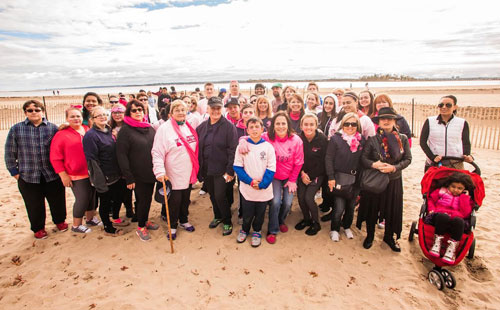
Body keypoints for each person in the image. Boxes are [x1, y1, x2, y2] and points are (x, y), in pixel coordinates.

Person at [5, 100, 67, 239]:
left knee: (57, 201)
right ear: (25, 112)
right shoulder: (17, 129)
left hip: (51, 173)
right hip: (28, 175)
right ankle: (38, 228)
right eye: (30, 110)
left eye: (37, 110)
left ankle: (60, 221)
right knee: (34, 204)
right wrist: (14, 172)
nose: (34, 113)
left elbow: (60, 148)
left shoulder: (52, 128)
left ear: (42, 111)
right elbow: (10, 152)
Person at [358, 107, 412, 252]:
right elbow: (363, 158)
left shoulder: (403, 139)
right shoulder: (373, 139)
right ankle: (370, 235)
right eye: (383, 119)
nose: (386, 121)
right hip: (375, 180)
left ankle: (389, 237)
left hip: (394, 180)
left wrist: (394, 168)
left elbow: (408, 159)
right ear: (379, 122)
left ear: (394, 121)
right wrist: (374, 164)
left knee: (391, 210)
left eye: (389, 118)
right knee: (372, 209)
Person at [152, 100, 199, 240]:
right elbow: (157, 152)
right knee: (174, 201)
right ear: (171, 112)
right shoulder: (164, 129)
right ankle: (172, 226)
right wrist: (159, 171)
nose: (180, 112)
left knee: (185, 199)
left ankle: (184, 220)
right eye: (177, 110)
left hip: (188, 171)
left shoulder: (189, 127)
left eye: (183, 110)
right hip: (173, 173)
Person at [50, 107, 98, 234]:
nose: (76, 119)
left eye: (78, 116)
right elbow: (55, 157)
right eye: (72, 116)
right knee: (82, 198)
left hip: (91, 171)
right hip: (75, 173)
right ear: (67, 119)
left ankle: (90, 218)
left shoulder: (87, 130)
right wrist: (63, 175)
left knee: (92, 196)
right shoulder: (61, 134)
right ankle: (76, 225)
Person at [116, 99, 158, 241]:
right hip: (137, 174)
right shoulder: (125, 131)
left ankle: (144, 220)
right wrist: (129, 177)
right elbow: (121, 155)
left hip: (151, 171)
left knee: (147, 199)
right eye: (134, 110)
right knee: (142, 200)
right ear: (129, 112)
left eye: (140, 109)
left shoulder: (149, 127)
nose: (138, 112)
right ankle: (141, 227)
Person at [196, 97, 238, 236]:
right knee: (212, 194)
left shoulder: (229, 127)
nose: (215, 111)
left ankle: (227, 221)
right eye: (212, 108)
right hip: (207, 168)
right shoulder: (201, 127)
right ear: (207, 109)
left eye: (218, 108)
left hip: (222, 169)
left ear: (222, 109)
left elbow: (233, 150)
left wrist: (230, 171)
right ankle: (217, 216)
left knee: (221, 195)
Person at [83, 106, 127, 236]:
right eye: (98, 115)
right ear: (92, 119)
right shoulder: (90, 136)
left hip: (117, 173)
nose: (102, 117)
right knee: (105, 202)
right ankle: (108, 226)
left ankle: (115, 219)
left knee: (118, 198)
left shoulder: (109, 131)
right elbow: (92, 161)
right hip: (104, 175)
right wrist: (99, 181)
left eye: (104, 114)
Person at [233, 117, 276, 247]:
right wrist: (250, 182)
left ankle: (257, 231)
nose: (254, 129)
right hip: (248, 189)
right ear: (247, 130)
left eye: (257, 126)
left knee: (260, 213)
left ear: (262, 129)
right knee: (247, 212)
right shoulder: (242, 147)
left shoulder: (268, 147)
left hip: (264, 189)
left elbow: (271, 167)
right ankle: (245, 230)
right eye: (251, 127)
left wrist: (262, 184)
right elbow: (237, 167)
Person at [325, 113, 365, 241]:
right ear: (343, 124)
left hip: (355, 180)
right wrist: (331, 177)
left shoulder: (361, 140)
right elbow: (329, 158)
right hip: (339, 178)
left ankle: (346, 226)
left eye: (353, 124)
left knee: (351, 206)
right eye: (347, 123)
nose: (350, 126)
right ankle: (335, 229)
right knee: (339, 207)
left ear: (357, 125)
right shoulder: (336, 139)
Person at [427, 172, 475, 264]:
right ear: (448, 185)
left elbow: (465, 213)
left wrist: (464, 197)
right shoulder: (441, 191)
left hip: (456, 221)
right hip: (439, 217)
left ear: (464, 189)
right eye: (453, 186)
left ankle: (452, 247)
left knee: (459, 221)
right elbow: (431, 200)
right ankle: (437, 242)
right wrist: (431, 209)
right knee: (443, 216)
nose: (456, 190)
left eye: (459, 188)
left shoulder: (465, 197)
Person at [420, 95, 472, 171]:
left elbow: (466, 142)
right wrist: (432, 157)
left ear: (455, 107)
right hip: (435, 161)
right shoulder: (430, 121)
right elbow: (422, 142)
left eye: (448, 105)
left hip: (455, 162)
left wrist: (467, 155)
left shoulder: (462, 123)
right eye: (441, 105)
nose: (444, 107)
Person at [295, 113, 327, 236]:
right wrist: (302, 174)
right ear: (301, 126)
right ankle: (306, 219)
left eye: (311, 124)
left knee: (309, 198)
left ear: (316, 125)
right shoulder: (298, 139)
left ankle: (316, 223)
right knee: (301, 198)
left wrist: (310, 176)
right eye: (306, 124)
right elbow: (296, 158)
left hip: (317, 174)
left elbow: (324, 162)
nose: (308, 127)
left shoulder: (322, 139)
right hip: (302, 173)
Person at [109, 104, 135, 220]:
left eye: (120, 112)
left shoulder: (129, 127)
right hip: (114, 164)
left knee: (128, 189)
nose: (118, 115)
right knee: (118, 192)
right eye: (115, 113)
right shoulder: (107, 128)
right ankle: (115, 214)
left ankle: (129, 210)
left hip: (128, 162)